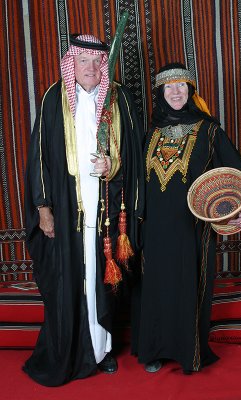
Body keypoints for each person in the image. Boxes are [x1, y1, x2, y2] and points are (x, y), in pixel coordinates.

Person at [23, 34, 145, 386]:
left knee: (101, 281)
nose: (90, 68)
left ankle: (102, 351)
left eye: (97, 62)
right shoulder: (54, 99)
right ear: (71, 63)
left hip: (107, 210)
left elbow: (135, 154)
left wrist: (114, 164)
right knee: (70, 280)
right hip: (66, 210)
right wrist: (43, 207)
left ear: (103, 65)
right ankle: (70, 348)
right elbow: (40, 156)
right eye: (83, 61)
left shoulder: (118, 98)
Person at [131, 62, 241, 374]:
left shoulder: (210, 131)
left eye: (182, 86)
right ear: (160, 93)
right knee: (155, 285)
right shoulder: (149, 135)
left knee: (189, 284)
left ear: (191, 91)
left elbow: (238, 172)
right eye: (169, 87)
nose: (176, 92)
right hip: (154, 229)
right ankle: (154, 349)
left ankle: (188, 351)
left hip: (193, 228)